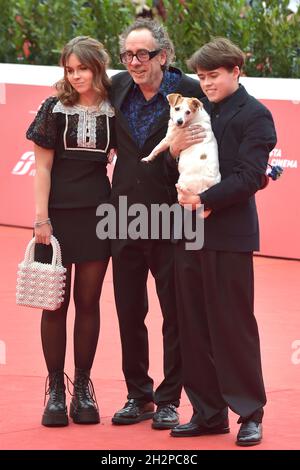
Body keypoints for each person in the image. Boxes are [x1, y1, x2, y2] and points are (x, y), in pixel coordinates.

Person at [168, 38, 277, 446]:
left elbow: (251, 176)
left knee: (232, 325)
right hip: (188, 230)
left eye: (214, 75)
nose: (207, 83)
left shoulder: (257, 116)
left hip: (229, 233)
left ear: (237, 71)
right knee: (192, 324)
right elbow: (178, 159)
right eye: (202, 77)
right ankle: (208, 412)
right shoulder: (196, 108)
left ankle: (249, 412)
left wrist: (205, 201)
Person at [109, 19, 204, 429]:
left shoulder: (192, 94)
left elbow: (222, 133)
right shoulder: (116, 87)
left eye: (142, 54)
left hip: (173, 216)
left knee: (175, 312)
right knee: (129, 310)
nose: (134, 61)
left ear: (162, 56)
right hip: (121, 215)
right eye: (128, 54)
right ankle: (139, 396)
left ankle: (169, 400)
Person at [26, 36, 115, 427]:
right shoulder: (53, 109)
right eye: (70, 69)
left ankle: (82, 387)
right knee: (54, 304)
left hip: (99, 215)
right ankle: (55, 393)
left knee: (89, 303)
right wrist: (41, 218)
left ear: (97, 67)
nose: (76, 75)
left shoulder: (116, 108)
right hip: (56, 219)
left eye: (82, 68)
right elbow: (42, 168)